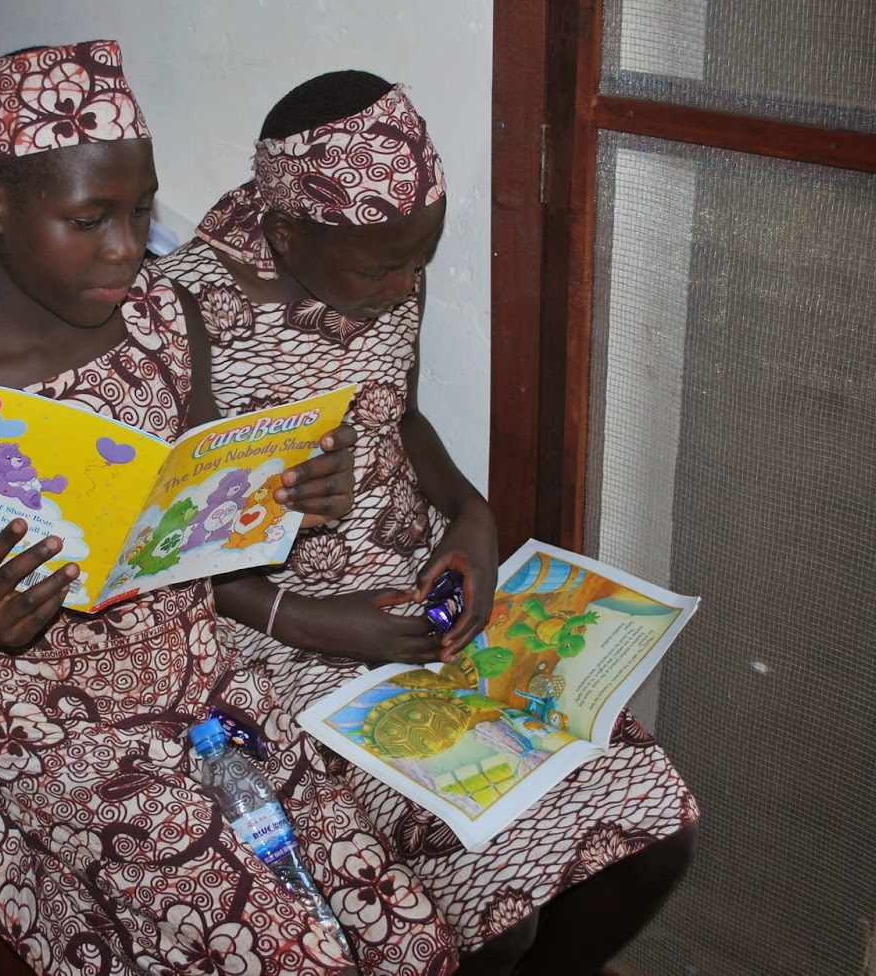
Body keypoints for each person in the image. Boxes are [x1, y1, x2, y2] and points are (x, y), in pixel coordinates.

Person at [0, 41, 472, 976]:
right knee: (298, 957)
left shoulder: (161, 321)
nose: (126, 246)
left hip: (211, 686)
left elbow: (197, 527)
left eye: (141, 210)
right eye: (89, 219)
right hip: (58, 734)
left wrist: (288, 497)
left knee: (413, 942)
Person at [155, 70, 699, 975]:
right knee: (493, 923)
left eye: (420, 260)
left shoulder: (381, 264)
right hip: (266, 632)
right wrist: (314, 620)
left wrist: (472, 516)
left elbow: (397, 416)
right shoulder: (181, 312)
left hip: (407, 597)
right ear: (286, 233)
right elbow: (165, 540)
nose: (406, 284)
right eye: (383, 268)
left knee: (652, 839)